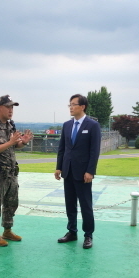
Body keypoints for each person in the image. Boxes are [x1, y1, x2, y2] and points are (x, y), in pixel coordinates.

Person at [0, 95, 33, 247]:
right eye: (8, 107)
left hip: (11, 172)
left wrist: (22, 142)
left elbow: (14, 146)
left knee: (11, 203)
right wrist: (10, 142)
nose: (11, 110)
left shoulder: (10, 126)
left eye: (12, 107)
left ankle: (7, 230)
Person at [55, 94, 102, 249]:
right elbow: (62, 148)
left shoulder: (92, 125)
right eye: (69, 105)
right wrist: (58, 167)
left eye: (74, 104)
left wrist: (90, 171)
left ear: (83, 107)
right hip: (68, 171)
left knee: (85, 204)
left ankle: (88, 235)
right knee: (70, 204)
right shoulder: (67, 125)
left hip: (83, 173)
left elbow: (94, 151)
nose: (71, 107)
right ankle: (72, 232)